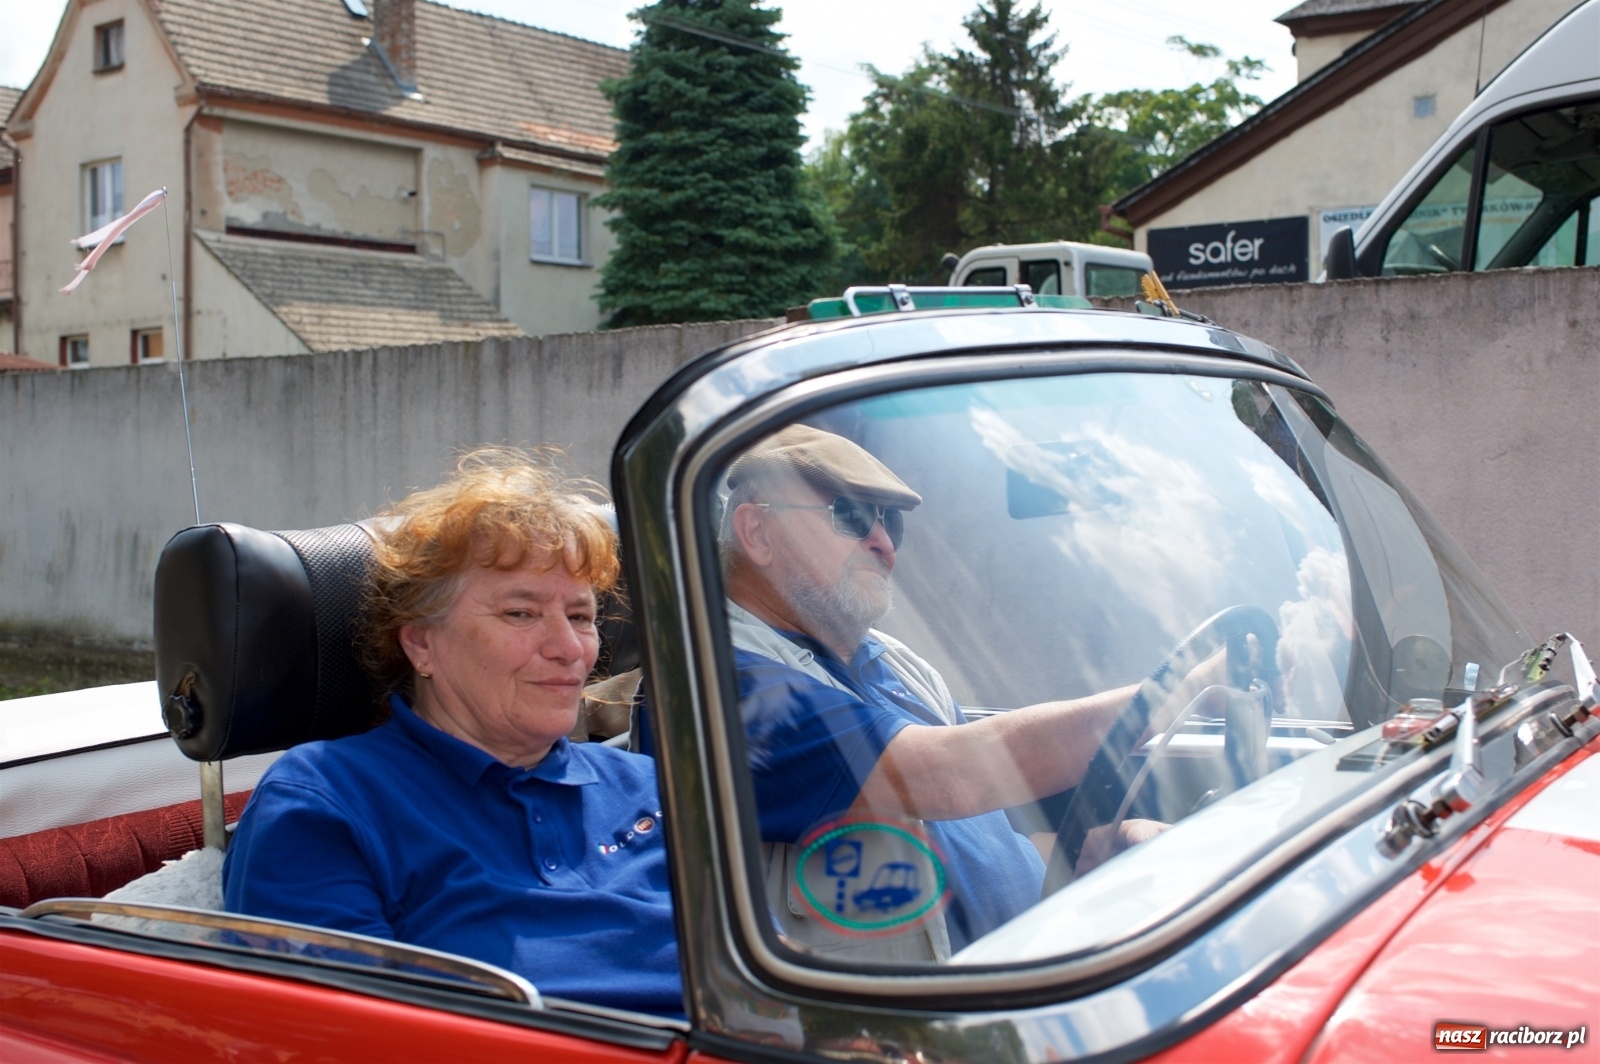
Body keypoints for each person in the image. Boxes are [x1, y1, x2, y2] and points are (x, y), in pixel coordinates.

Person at [223, 448, 680, 1016]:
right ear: (421, 644)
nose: (570, 649)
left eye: (582, 616)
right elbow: (332, 1035)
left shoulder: (650, 785)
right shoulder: (327, 802)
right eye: (521, 613)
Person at [718, 426, 1186, 962]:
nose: (885, 543)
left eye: (891, 522)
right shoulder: (729, 682)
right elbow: (953, 776)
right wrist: (1178, 689)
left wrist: (1108, 846)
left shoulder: (895, 663)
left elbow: (989, 843)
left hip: (1025, 973)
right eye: (850, 515)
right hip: (900, 1030)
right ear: (757, 533)